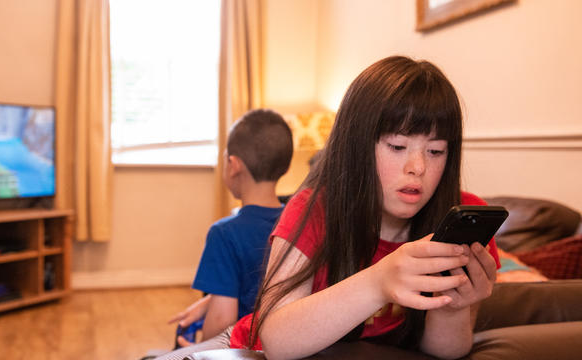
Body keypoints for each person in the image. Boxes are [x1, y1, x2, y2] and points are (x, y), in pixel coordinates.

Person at [154, 55, 501, 360]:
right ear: (356, 145)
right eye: (397, 146)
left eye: (436, 151)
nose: (418, 167)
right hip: (248, 346)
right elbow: (275, 340)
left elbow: (445, 350)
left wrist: (455, 307)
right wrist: (380, 281)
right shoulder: (314, 209)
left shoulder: (462, 216)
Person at [148, 109, 294, 358]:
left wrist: (198, 350)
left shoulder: (224, 233)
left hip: (242, 350)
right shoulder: (296, 224)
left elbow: (221, 321)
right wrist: (207, 303)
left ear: (234, 165)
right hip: (285, 343)